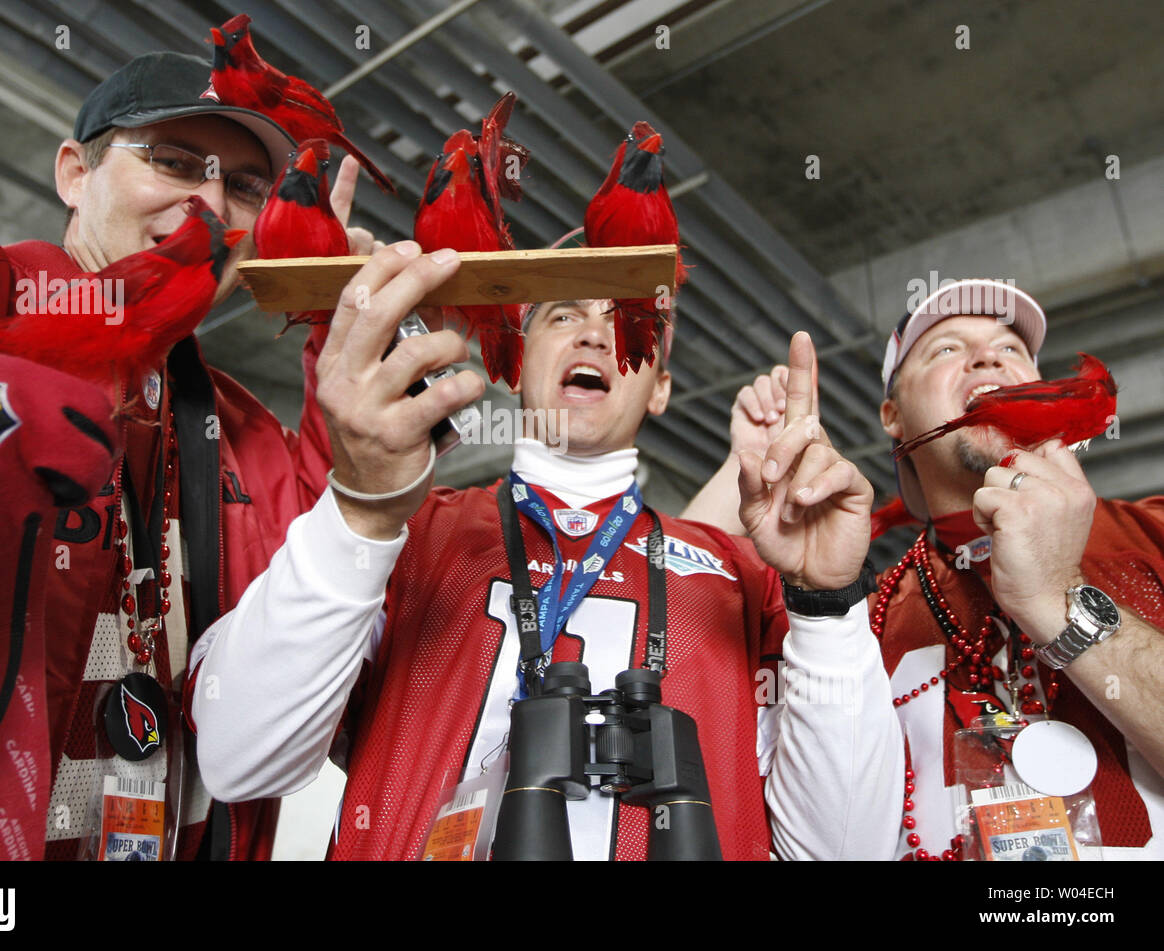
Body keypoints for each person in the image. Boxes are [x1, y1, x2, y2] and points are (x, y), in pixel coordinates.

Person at [188, 240, 905, 860]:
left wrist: (828, 606)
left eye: (626, 322)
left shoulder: (745, 576)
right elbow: (237, 756)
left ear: (659, 388)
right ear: (514, 359)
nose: (595, 335)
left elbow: (847, 848)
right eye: (563, 313)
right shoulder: (405, 533)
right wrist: (360, 507)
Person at [0, 51, 361, 860]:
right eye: (172, 160)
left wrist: (351, 345)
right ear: (73, 173)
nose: (207, 201)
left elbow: (332, 651)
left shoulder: (253, 439)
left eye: (243, 187)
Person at [692, 278, 1164, 860]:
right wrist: (821, 600)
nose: (989, 355)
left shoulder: (1155, 533)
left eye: (1011, 349)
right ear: (893, 414)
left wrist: (1058, 597)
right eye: (946, 348)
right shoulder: (863, 620)